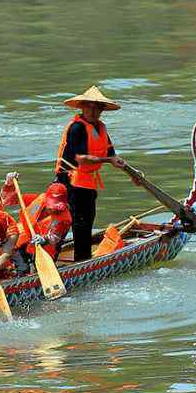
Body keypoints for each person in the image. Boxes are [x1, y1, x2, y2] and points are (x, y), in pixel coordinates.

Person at [54, 85, 121, 261]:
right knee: (73, 222)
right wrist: (109, 161)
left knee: (88, 220)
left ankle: (82, 259)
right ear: (82, 107)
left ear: (101, 110)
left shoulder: (101, 127)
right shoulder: (77, 128)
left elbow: (111, 154)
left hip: (87, 182)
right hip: (68, 182)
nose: (92, 111)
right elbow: (81, 158)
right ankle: (76, 260)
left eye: (96, 107)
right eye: (88, 107)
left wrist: (128, 170)